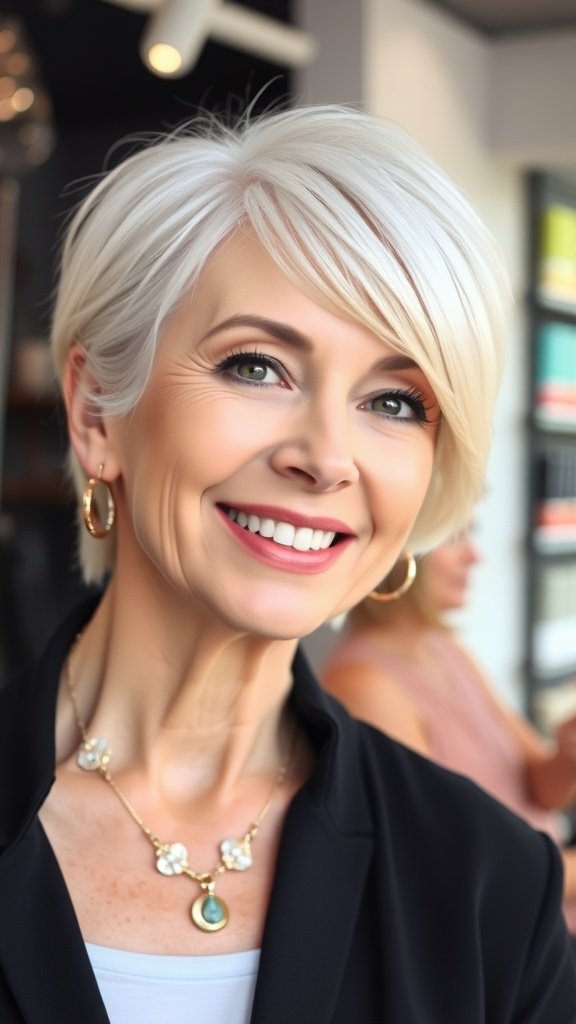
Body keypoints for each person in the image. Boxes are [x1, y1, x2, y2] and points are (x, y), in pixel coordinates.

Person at [0, 103, 574, 1024]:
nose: (326, 455)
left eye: (393, 401)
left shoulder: (489, 884)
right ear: (98, 414)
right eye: (258, 366)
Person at [321, 528, 576, 937]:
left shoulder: (444, 649)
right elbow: (451, 869)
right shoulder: (363, 686)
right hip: (516, 942)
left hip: (547, 910)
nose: (475, 556)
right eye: (456, 536)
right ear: (402, 547)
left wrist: (568, 758)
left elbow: (541, 789)